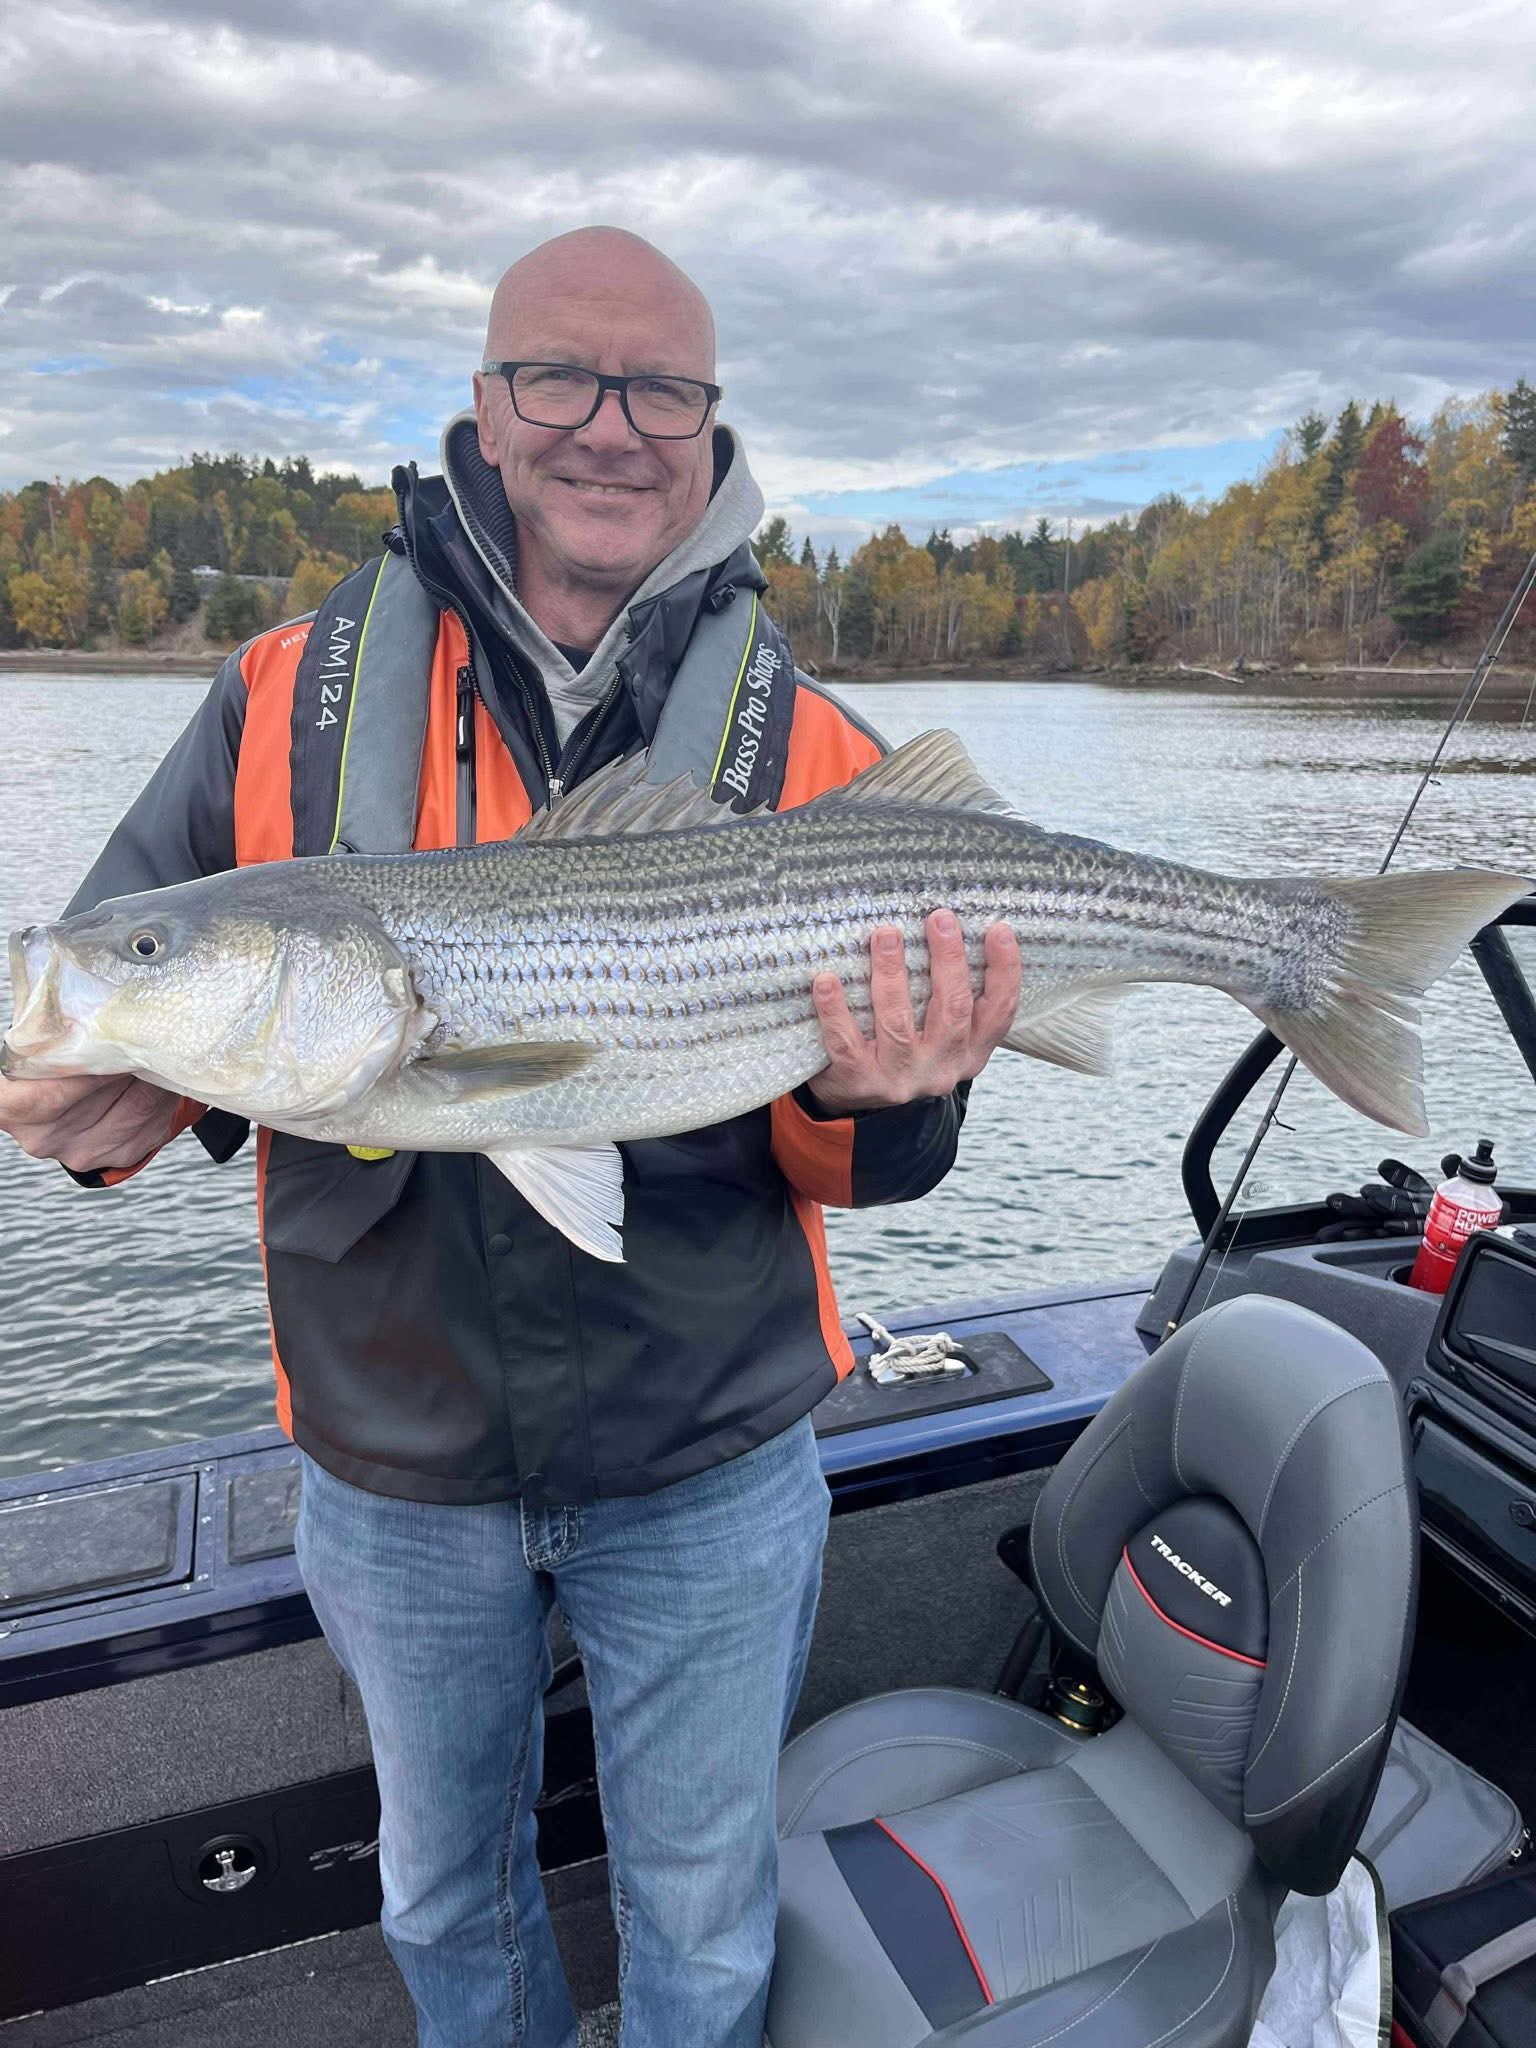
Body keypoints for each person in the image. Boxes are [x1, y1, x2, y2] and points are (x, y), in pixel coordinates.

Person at [0, 227, 1021, 2048]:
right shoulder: (276, 697)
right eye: (561, 378)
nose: (610, 429)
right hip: (393, 1472)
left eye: (665, 392)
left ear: (712, 428)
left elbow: (870, 1171)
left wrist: (891, 1095)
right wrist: (67, 1113)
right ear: (486, 404)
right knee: (438, 1894)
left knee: (706, 1917)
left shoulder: (823, 749)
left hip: (712, 1455)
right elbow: (121, 1023)